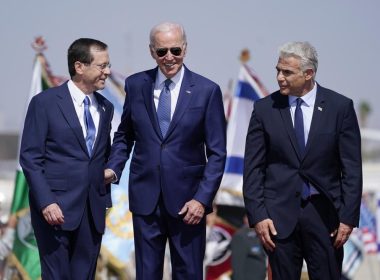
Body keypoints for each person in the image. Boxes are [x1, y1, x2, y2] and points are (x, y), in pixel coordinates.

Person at [105, 22, 226, 279]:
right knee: (147, 274)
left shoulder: (207, 91)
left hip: (189, 203)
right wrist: (113, 169)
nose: (169, 57)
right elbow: (125, 135)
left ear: (185, 48)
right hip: (145, 200)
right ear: (152, 52)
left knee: (189, 273)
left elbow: (217, 153)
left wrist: (202, 199)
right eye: (162, 52)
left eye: (175, 50)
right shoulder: (136, 85)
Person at [243, 41, 362, 279]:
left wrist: (348, 218)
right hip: (278, 221)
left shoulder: (340, 108)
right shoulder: (264, 109)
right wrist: (258, 215)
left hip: (326, 220)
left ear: (309, 74)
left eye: (287, 72)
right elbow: (253, 168)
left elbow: (351, 169)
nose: (279, 77)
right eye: (278, 70)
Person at [20, 38, 114, 279]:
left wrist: (112, 170)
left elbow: (103, 154)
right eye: (102, 66)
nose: (108, 72)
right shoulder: (45, 103)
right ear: (80, 66)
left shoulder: (105, 107)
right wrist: (46, 202)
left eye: (108, 65)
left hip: (92, 211)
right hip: (56, 211)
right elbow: (30, 158)